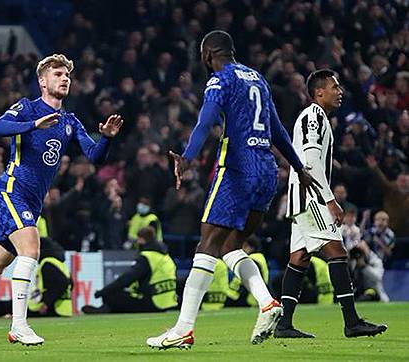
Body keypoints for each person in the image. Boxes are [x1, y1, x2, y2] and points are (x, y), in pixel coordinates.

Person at [0, 53, 123, 350]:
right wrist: (33, 124)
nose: (65, 78)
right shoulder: (27, 108)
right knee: (32, 247)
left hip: (32, 201)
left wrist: (107, 138)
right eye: (57, 74)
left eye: (67, 75)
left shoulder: (70, 121)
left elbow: (94, 156)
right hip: (10, 190)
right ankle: (19, 325)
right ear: (42, 81)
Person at [146, 30, 315, 349]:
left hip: (237, 166)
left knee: (206, 244)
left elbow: (205, 120)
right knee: (230, 246)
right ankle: (267, 303)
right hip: (267, 170)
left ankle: (183, 328)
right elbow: (277, 128)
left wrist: (187, 157)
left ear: (208, 55)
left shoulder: (220, 78)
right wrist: (298, 167)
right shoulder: (258, 79)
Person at [275, 69, 387, 339]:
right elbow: (311, 164)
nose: (340, 92)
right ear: (318, 92)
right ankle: (351, 321)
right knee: (337, 253)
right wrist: (331, 200)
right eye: (334, 87)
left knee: (299, 258)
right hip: (311, 196)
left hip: (301, 197)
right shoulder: (314, 116)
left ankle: (284, 324)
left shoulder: (316, 117)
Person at [0, 237, 72, 318]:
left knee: (4, 306)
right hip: (62, 309)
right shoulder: (60, 263)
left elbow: (62, 284)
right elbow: (70, 283)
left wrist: (46, 303)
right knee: (8, 306)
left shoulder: (47, 263)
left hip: (48, 308)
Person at [81, 226, 177, 314]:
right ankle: (108, 309)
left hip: (152, 302)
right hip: (168, 302)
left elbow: (127, 279)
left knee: (111, 295)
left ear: (142, 239)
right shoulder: (165, 257)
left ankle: (107, 309)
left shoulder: (147, 257)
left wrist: (103, 291)